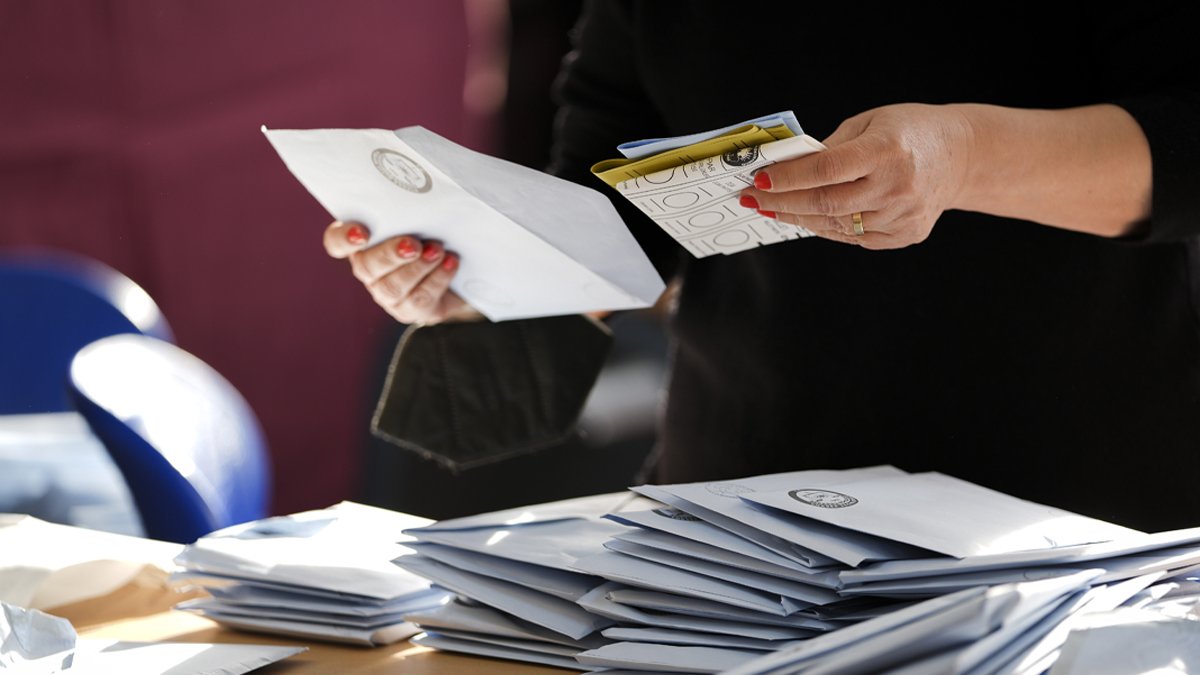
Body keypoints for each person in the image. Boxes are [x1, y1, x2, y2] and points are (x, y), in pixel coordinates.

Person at [324, 1, 1200, 532]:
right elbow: (616, 179)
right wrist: (491, 278)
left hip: (1078, 520)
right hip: (745, 515)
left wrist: (965, 158)